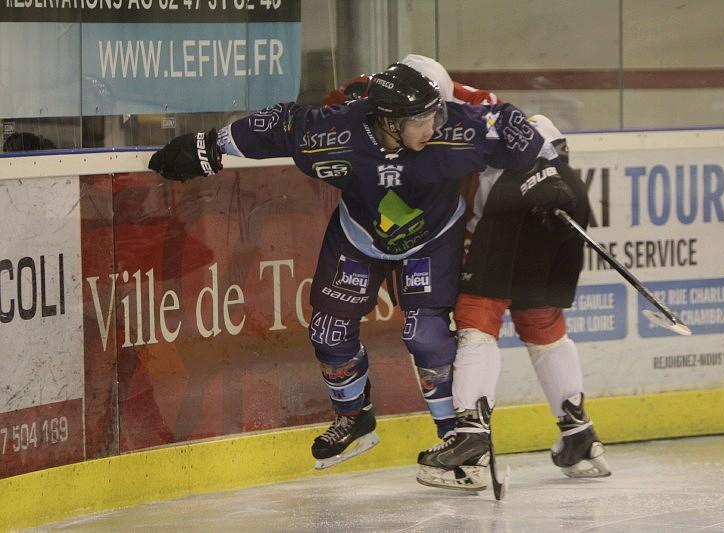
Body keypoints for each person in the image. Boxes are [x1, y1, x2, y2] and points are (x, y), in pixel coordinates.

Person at [148, 61, 576, 470]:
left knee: (426, 335)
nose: (432, 127)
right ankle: (354, 417)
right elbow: (280, 125)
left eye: (435, 115)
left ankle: (456, 441)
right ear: (388, 121)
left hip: (432, 238)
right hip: (360, 236)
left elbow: (511, 124)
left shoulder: (454, 127)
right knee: (328, 332)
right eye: (420, 121)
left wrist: (549, 175)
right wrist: (208, 146)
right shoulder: (336, 131)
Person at [382, 56, 612, 492]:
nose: (426, 124)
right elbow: (546, 140)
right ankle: (580, 438)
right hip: (562, 199)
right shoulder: (470, 103)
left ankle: (470, 444)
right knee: (541, 319)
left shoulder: (451, 116)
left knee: (477, 315)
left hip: (514, 208)